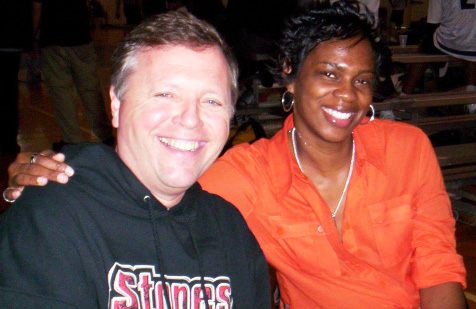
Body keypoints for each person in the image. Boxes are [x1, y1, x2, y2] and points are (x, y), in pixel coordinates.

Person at [4, 1, 467, 308]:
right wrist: (55, 175)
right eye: (328, 73)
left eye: (362, 80)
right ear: (289, 75)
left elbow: (438, 264)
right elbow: (153, 176)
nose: (346, 95)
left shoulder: (407, 148)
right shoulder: (245, 175)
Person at [0, 11, 270, 308]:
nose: (191, 119)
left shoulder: (230, 229)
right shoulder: (52, 220)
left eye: (211, 101)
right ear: (116, 104)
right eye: (165, 94)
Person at [32, 0, 114, 151]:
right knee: (90, 89)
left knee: (61, 92)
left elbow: (37, 7)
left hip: (53, 36)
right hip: (80, 35)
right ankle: (105, 133)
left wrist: (34, 35)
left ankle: (72, 140)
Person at [401, 0, 476, 105]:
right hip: (472, 41)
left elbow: (433, 22)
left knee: (423, 51)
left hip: (449, 39)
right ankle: (471, 95)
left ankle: (404, 94)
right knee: (470, 45)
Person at [0, 0, 32, 156]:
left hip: (10, 43)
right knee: (10, 95)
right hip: (13, 41)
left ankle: (8, 141)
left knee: (9, 95)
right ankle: (9, 141)